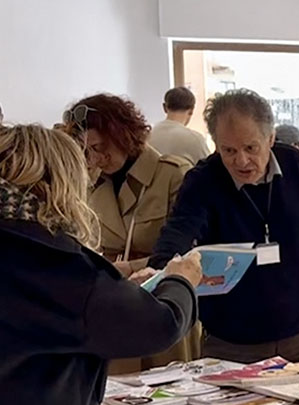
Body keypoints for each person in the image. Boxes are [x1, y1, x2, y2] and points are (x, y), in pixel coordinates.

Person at [0, 124, 200, 405]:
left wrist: (117, 288)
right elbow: (160, 324)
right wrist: (181, 280)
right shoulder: (54, 265)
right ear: (58, 185)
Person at [148, 88, 299, 364]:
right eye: (229, 150)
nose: (241, 160)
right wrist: (161, 265)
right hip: (232, 343)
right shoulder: (203, 180)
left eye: (251, 148)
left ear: (270, 138)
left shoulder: (294, 164)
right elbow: (180, 229)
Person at [63, 93, 199, 372]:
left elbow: (191, 250)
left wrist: (132, 266)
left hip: (166, 300)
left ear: (122, 133)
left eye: (102, 147)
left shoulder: (173, 174)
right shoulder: (89, 184)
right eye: (88, 151)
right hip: (116, 308)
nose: (97, 158)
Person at [147, 86, 211, 165]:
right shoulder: (195, 140)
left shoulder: (147, 135)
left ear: (164, 107)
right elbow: (210, 171)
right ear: (191, 111)